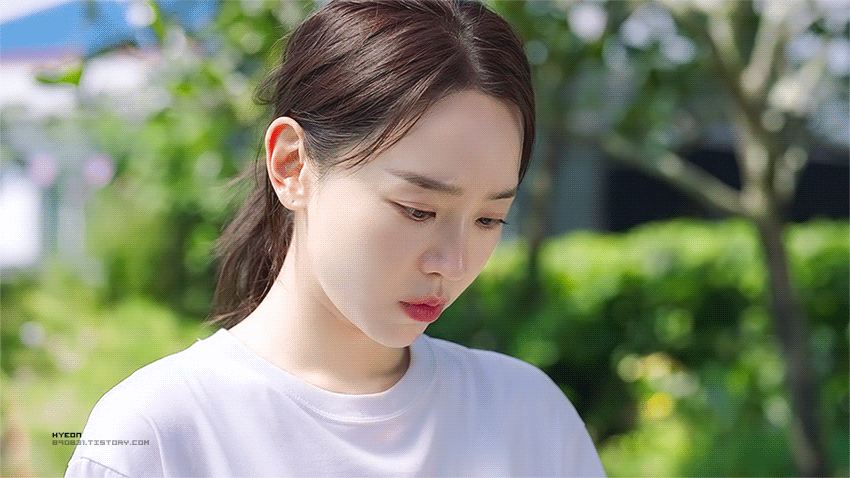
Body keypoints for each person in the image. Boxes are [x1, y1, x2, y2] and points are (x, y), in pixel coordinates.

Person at [65, 0, 607, 476]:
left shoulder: (528, 419)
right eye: (418, 210)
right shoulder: (158, 435)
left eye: (489, 220)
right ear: (292, 165)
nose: (454, 262)